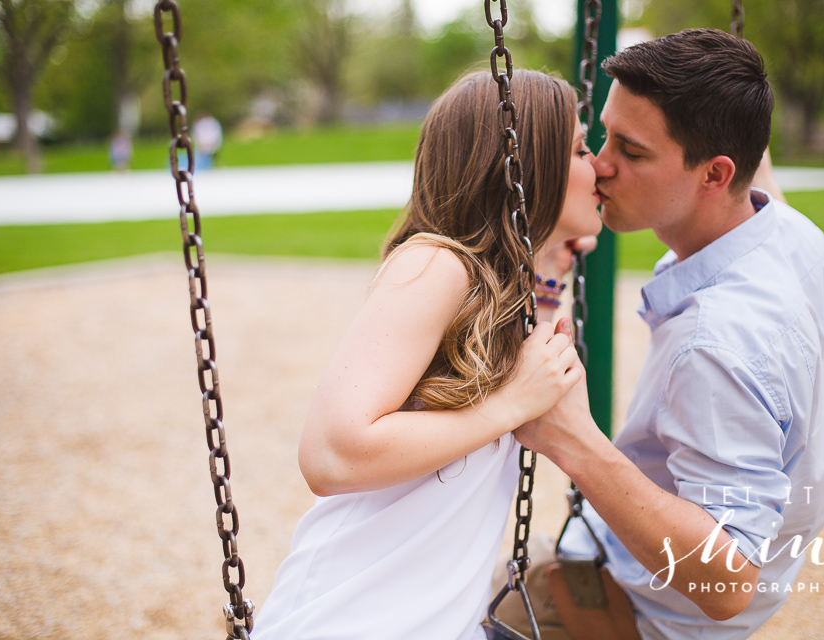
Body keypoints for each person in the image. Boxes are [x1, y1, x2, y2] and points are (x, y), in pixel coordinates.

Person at [514, 29, 824, 640]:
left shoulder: (717, 341)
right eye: (603, 135)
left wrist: (573, 441)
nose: (600, 164)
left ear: (715, 174)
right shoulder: (787, 233)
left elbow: (727, 583)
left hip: (641, 609)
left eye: (633, 150)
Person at [251, 69, 604, 640]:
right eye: (582, 149)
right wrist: (507, 408)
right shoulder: (436, 265)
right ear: (524, 166)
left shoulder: (499, 296)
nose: (601, 167)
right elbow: (329, 455)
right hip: (346, 621)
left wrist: (550, 267)